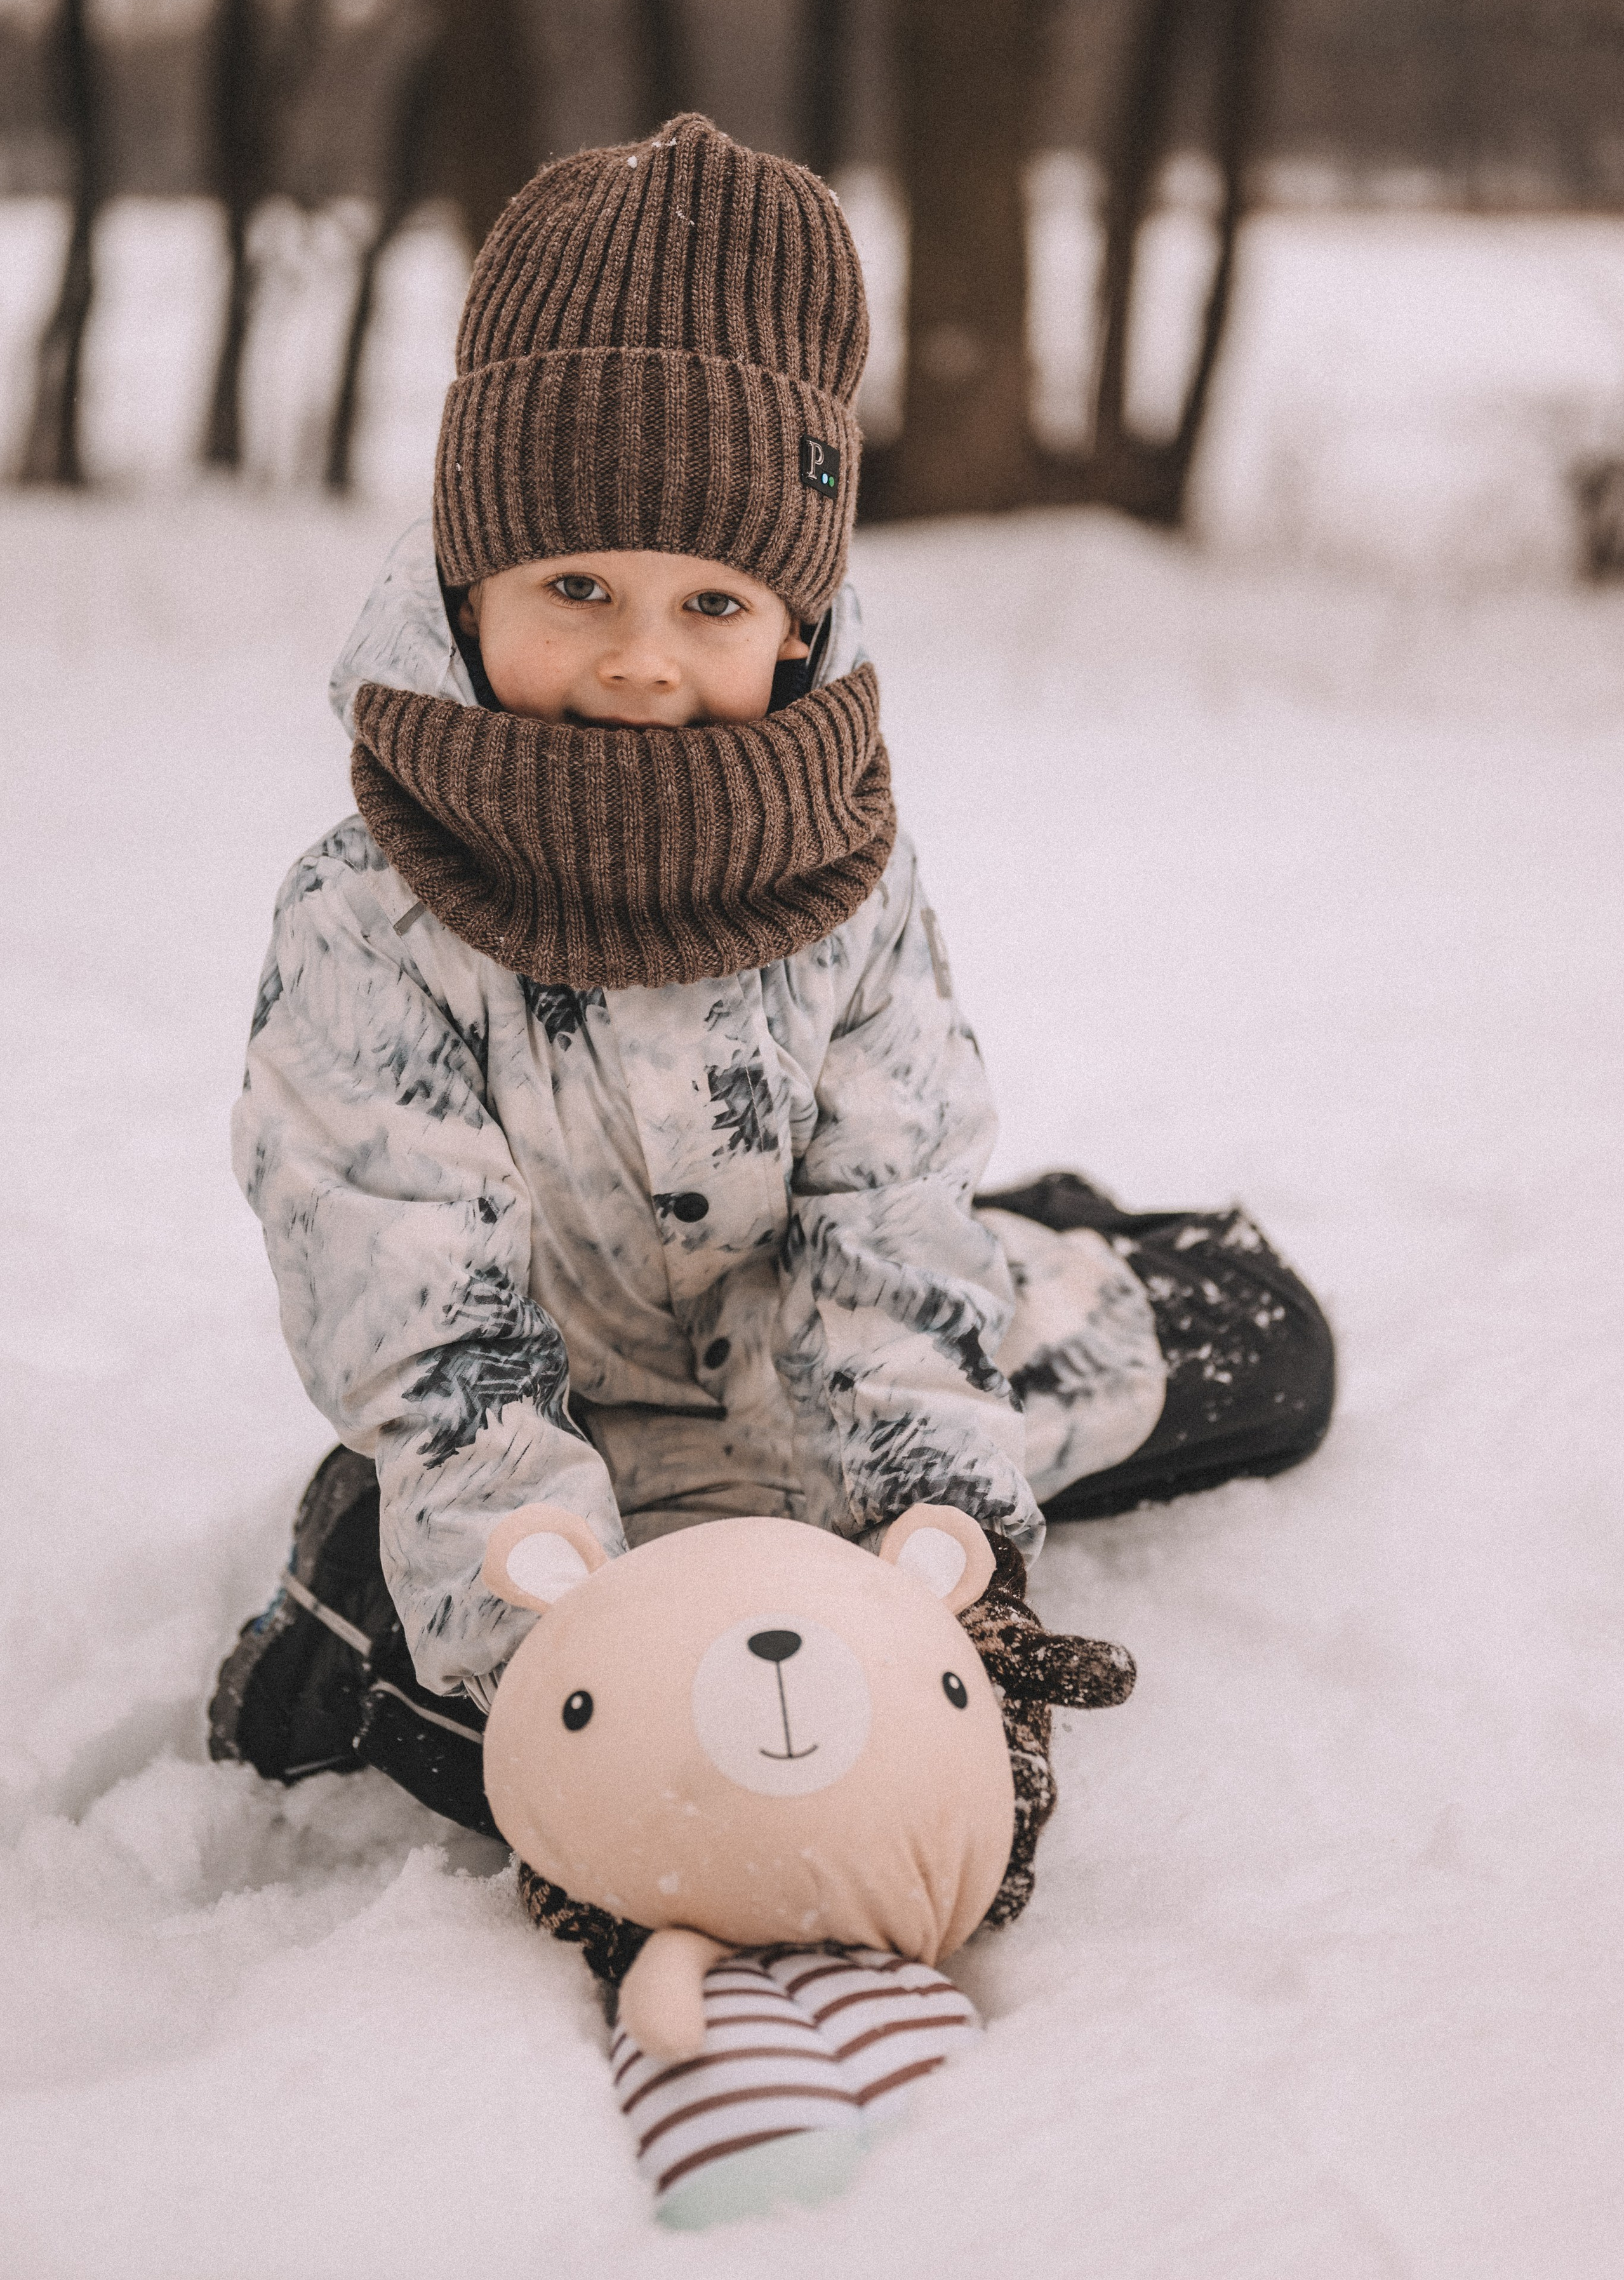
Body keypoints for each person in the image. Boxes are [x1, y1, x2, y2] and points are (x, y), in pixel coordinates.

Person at [211, 115, 1333, 1973]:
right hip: (545, 1444)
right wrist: (552, 1649)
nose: (645, 661)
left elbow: (883, 1221)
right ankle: (350, 1635)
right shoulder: (367, 915)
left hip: (804, 1406)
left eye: (712, 605)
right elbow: (432, 1331)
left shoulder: (849, 866)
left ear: (793, 623)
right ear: (468, 581)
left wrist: (932, 1565)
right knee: (593, 1759)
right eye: (577, 588)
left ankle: (1049, 1250)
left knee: (1266, 1343)